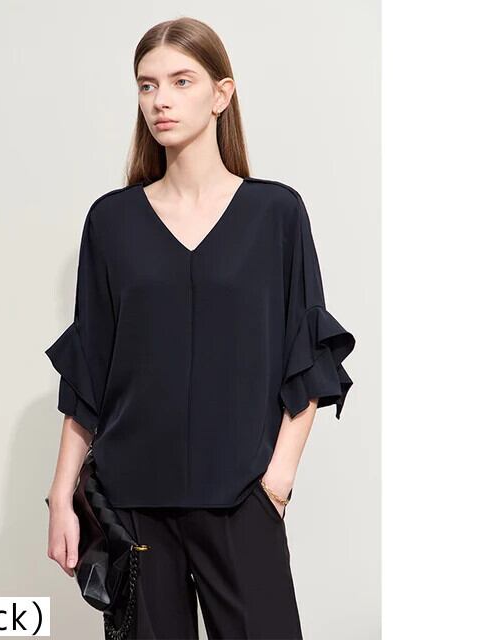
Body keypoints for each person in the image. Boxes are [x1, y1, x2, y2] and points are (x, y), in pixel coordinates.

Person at [45, 16, 356, 640]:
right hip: (133, 503)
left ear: (221, 94)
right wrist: (61, 497)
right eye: (147, 84)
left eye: (181, 81)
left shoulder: (276, 213)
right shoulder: (111, 222)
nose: (160, 100)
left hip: (242, 495)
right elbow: (89, 374)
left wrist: (277, 481)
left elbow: (307, 354)